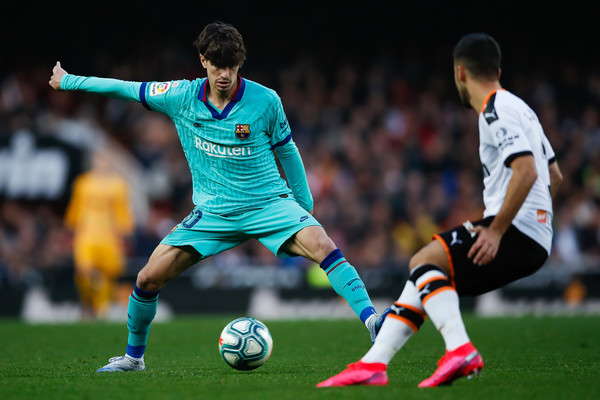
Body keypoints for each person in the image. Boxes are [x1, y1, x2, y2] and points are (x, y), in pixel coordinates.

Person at [49, 21, 387, 372]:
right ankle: (134, 359)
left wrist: (303, 206)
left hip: (269, 204)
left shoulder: (266, 101)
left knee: (324, 246)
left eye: (231, 66)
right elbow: (126, 89)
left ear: (240, 64)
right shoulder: (180, 96)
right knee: (147, 279)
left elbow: (288, 152)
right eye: (217, 64)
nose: (224, 74)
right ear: (203, 61)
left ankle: (373, 323)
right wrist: (69, 81)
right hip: (213, 213)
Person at [316, 33, 563, 388]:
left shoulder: (496, 109)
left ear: (460, 73)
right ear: (497, 69)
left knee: (423, 260)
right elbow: (555, 175)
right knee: (424, 273)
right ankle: (373, 364)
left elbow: (528, 170)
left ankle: (459, 348)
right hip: (533, 233)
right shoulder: (523, 109)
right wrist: (540, 222)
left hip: (512, 230)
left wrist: (498, 229)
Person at [64, 149, 134, 319]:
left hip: (109, 235)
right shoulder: (83, 183)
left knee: (107, 273)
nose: (102, 164)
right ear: (94, 162)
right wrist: (71, 225)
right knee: (85, 271)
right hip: (87, 234)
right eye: (99, 160)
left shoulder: (118, 184)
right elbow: (76, 207)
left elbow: (122, 210)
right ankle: (90, 302)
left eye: (106, 160)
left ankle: (101, 308)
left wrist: (125, 230)